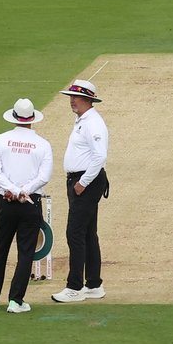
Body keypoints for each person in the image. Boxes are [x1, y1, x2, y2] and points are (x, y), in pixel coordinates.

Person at [0, 98, 52, 314]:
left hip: (5, 201)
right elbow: (44, 176)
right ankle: (16, 301)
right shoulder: (42, 144)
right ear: (32, 119)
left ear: (14, 117)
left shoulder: (1, 140)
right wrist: (24, 191)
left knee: (0, 249)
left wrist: (12, 190)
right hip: (29, 203)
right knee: (25, 252)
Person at [51, 79, 110, 303]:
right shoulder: (83, 120)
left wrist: (83, 182)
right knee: (87, 233)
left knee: (75, 233)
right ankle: (94, 285)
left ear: (88, 99)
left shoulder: (93, 123)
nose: (72, 101)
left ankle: (74, 287)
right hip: (82, 180)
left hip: (87, 182)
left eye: (76, 97)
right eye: (71, 97)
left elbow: (99, 156)